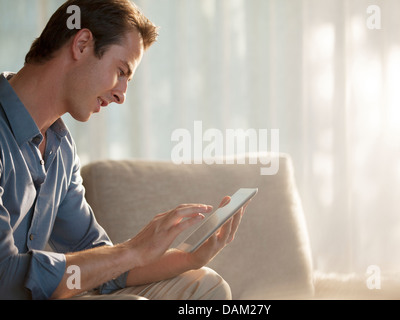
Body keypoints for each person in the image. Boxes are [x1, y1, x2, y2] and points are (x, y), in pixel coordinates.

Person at [0, 0, 246, 300]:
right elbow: (4, 277)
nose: (121, 95)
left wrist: (188, 257)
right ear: (82, 44)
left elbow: (98, 260)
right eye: (121, 71)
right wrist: (131, 251)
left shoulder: (60, 150)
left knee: (203, 284)